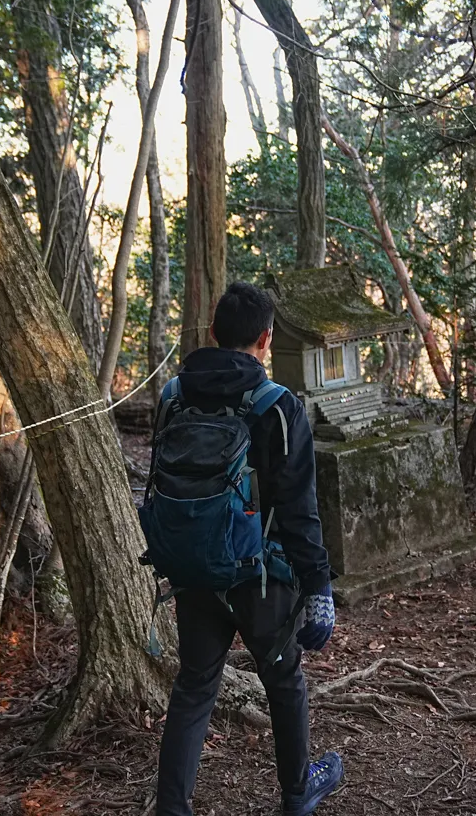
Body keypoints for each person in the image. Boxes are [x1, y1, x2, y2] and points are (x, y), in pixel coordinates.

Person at [153, 282, 344, 816]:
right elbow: (300, 507)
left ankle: (171, 807)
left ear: (212, 333)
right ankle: (297, 792)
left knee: (194, 685)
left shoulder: (173, 395)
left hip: (192, 569)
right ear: (266, 339)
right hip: (263, 576)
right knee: (283, 681)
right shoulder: (279, 406)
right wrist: (319, 586)